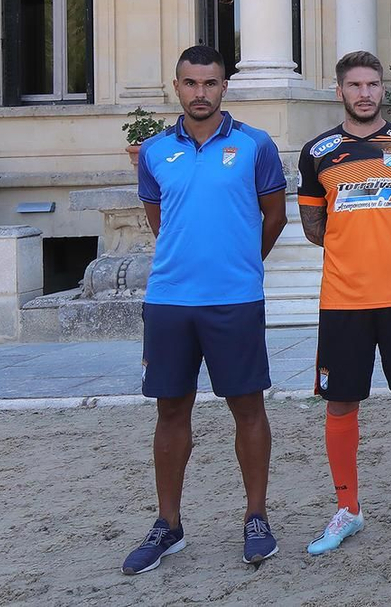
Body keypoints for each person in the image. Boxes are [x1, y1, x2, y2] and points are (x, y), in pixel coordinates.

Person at [123, 44, 288, 574]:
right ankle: (168, 525)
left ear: (223, 87)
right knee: (170, 411)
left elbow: (275, 216)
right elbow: (159, 220)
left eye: (210, 83)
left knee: (248, 408)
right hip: (170, 302)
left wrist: (239, 261)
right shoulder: (152, 152)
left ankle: (256, 517)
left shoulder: (255, 145)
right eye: (191, 83)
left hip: (235, 300)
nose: (200, 93)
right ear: (177, 87)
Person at [296, 51, 391, 554]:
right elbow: (314, 227)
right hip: (342, 299)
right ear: (340, 90)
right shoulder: (317, 152)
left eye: (372, 84)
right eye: (355, 85)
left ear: (383, 89)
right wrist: (353, 251)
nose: (364, 93)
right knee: (339, 402)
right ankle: (347, 509)